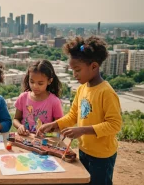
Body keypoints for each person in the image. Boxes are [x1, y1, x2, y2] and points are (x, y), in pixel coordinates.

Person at [37, 36, 122, 185]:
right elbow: (73, 116)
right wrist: (54, 124)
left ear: (94, 66)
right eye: (72, 70)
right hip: (85, 150)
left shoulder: (106, 92)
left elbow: (114, 125)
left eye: (77, 70)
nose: (74, 75)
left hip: (102, 155)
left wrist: (82, 130)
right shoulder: (82, 89)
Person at [13, 60, 63, 136]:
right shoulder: (23, 97)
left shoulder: (54, 101)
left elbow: (59, 125)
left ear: (49, 81)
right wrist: (20, 126)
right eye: (32, 82)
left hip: (44, 142)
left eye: (40, 83)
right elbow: (16, 119)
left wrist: (49, 134)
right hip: (25, 139)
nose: (35, 86)